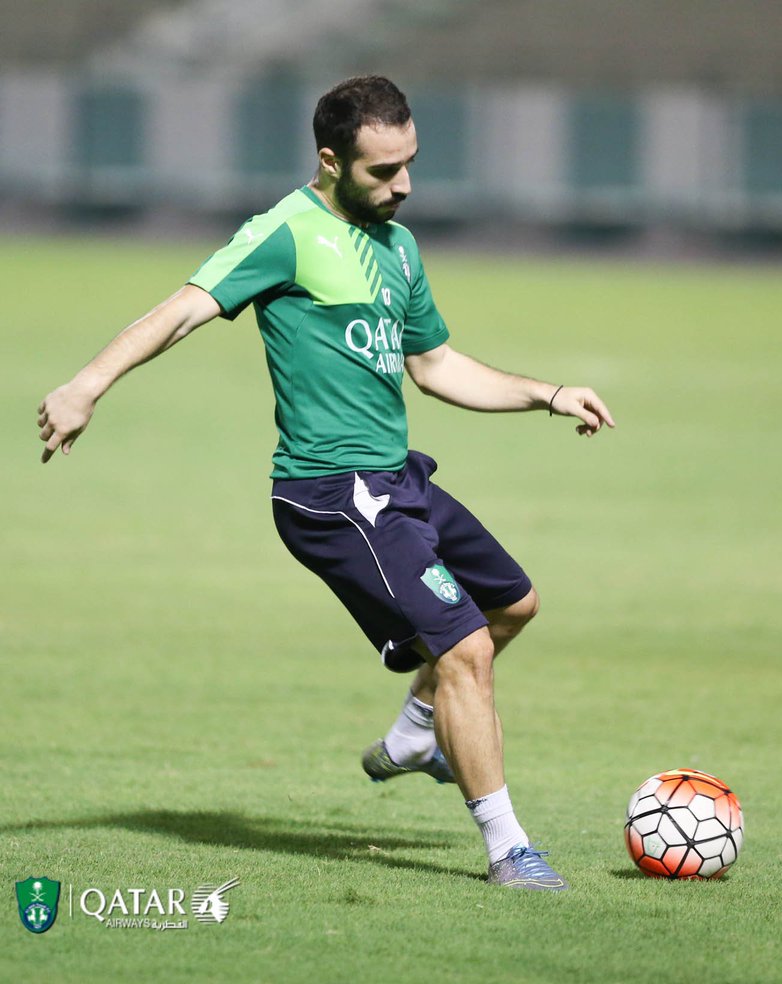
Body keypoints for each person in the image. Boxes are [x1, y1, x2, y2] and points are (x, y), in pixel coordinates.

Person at [36, 75, 614, 891]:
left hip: (395, 479)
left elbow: (435, 366)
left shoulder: (398, 248)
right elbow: (180, 310)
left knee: (513, 605)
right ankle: (509, 849)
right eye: (383, 170)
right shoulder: (285, 233)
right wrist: (86, 385)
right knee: (466, 649)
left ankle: (417, 732)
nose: (403, 185)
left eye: (410, 164)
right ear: (331, 160)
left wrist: (548, 394)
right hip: (330, 495)